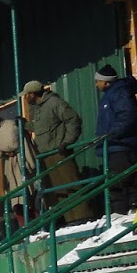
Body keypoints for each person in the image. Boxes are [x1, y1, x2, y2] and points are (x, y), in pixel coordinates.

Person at [24, 80, 91, 225]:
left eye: (26, 94)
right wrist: (24, 125)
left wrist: (67, 141)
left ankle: (81, 216)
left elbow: (73, 119)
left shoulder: (54, 103)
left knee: (70, 184)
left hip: (59, 152)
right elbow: (41, 128)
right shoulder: (35, 109)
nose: (25, 98)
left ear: (33, 93)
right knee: (57, 190)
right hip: (45, 155)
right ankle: (69, 219)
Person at [95, 64, 137, 216]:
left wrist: (112, 134)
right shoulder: (110, 95)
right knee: (117, 177)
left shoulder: (119, 93)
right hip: (112, 144)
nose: (96, 84)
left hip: (121, 143)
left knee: (123, 177)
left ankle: (128, 206)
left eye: (98, 81)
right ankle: (121, 208)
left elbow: (126, 116)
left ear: (106, 81)